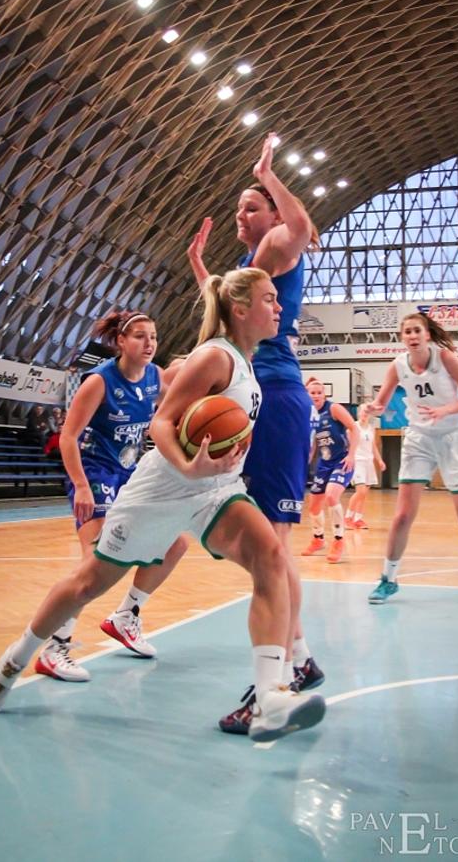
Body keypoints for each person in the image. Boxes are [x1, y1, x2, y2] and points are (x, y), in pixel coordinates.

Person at [0, 267, 327, 744]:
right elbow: (161, 423)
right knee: (88, 582)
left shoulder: (247, 363)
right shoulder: (215, 356)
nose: (279, 306)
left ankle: (269, 698)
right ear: (241, 309)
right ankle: (16, 658)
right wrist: (188, 466)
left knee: (271, 559)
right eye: (270, 298)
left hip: (215, 488)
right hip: (163, 487)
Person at [186, 133, 326, 734]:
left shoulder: (275, 247)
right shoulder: (250, 271)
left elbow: (300, 226)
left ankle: (283, 674)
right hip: (263, 397)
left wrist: (268, 174)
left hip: (274, 396)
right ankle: (298, 656)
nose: (242, 216)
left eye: (252, 207)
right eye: (239, 209)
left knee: (273, 547)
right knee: (268, 546)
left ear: (271, 215)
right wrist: (200, 268)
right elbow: (222, 312)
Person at [33, 310, 188, 682]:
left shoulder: (154, 377)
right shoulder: (99, 381)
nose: (149, 343)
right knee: (94, 562)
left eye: (153, 336)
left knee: (176, 543)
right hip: (96, 473)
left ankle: (126, 616)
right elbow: (68, 437)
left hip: (130, 475)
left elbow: (175, 406)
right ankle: (55, 648)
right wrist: (81, 485)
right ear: (121, 341)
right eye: (140, 336)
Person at [365, 312, 458, 604]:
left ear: (427, 335)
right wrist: (371, 408)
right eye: (407, 331)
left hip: (453, 437)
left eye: (416, 331)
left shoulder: (445, 358)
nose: (412, 336)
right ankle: (388, 579)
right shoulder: (398, 365)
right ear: (402, 337)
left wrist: (446, 410)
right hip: (419, 438)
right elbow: (381, 403)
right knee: (402, 516)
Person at [300, 379, 359, 562]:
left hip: (342, 461)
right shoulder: (309, 414)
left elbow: (354, 428)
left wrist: (351, 455)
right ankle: (318, 539)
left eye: (319, 392)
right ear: (307, 395)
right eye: (313, 393)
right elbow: (313, 443)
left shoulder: (333, 408)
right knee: (314, 506)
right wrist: (304, 463)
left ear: (324, 394)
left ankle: (339, 540)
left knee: (332, 496)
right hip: (324, 464)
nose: (316, 395)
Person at [345, 403, 386, 529]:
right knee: (360, 491)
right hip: (358, 461)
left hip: (369, 462)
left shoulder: (371, 428)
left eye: (367, 412)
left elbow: (373, 446)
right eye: (363, 412)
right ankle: (347, 518)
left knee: (364, 493)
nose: (364, 414)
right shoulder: (353, 428)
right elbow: (347, 445)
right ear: (358, 413)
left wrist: (380, 460)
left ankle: (358, 519)